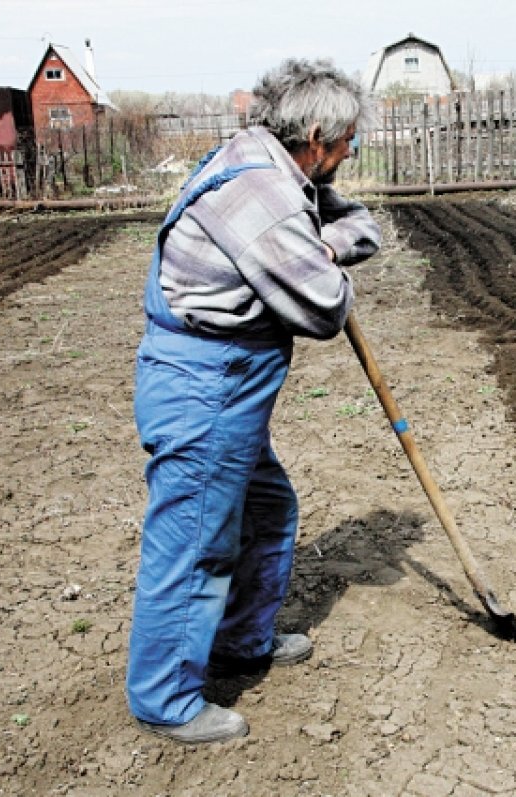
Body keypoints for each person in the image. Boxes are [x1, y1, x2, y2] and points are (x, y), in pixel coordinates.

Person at [127, 58, 380, 745]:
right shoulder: (263, 196)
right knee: (196, 541)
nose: (353, 150)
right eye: (350, 137)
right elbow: (325, 307)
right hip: (204, 387)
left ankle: (242, 637)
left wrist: (321, 241)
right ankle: (164, 697)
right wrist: (322, 253)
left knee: (268, 508)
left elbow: (362, 226)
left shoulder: (263, 158)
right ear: (320, 132)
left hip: (228, 383)